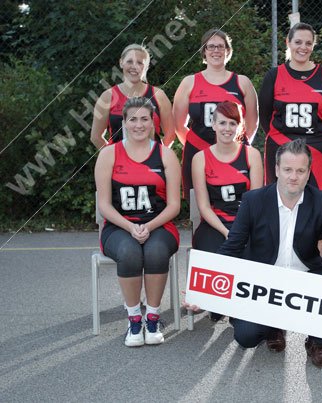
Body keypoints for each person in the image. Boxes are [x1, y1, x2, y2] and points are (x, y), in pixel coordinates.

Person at [216, 139, 322, 368]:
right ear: (276, 169)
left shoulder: (321, 201)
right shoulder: (254, 200)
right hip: (265, 282)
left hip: (307, 277)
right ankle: (273, 325)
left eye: (300, 171)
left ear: (308, 173)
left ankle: (317, 341)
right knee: (246, 336)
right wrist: (203, 287)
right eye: (287, 170)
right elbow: (232, 247)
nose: (293, 176)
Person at [94, 97, 181, 347]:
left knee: (156, 251)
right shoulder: (109, 154)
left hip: (160, 225)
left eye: (144, 119)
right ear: (123, 122)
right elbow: (104, 205)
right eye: (133, 119)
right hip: (119, 227)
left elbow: (174, 206)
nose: (139, 125)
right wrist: (130, 227)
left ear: (153, 123)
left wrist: (148, 226)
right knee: (129, 252)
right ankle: (134, 320)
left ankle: (152, 319)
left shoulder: (165, 155)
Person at [191, 101, 263, 321]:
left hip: (246, 222)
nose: (227, 128)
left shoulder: (251, 155)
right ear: (213, 124)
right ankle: (218, 302)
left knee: (254, 250)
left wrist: (239, 231)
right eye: (222, 123)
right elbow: (204, 206)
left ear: (240, 127)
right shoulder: (200, 158)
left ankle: (243, 307)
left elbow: (256, 202)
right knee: (212, 251)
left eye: (233, 123)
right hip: (215, 223)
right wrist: (225, 231)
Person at [173, 28, 258, 198]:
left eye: (220, 46)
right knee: (198, 206)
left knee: (237, 204)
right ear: (204, 51)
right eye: (211, 46)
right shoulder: (189, 83)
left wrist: (231, 147)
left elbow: (252, 123)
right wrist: (200, 147)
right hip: (198, 153)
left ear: (228, 50)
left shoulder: (242, 83)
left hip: (233, 155)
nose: (216, 50)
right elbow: (178, 125)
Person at [259, 22, 322, 190]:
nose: (303, 47)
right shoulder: (274, 75)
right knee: (278, 198)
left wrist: (320, 138)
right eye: (298, 42)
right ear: (288, 42)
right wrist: (281, 137)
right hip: (280, 147)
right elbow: (264, 115)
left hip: (317, 148)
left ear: (313, 46)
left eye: (308, 43)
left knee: (318, 198)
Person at [91, 44, 175, 149]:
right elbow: (95, 137)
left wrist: (158, 154)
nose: (134, 66)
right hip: (119, 159)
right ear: (121, 62)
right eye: (129, 61)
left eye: (140, 63)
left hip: (152, 159)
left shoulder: (158, 95)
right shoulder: (107, 97)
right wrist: (112, 155)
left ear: (146, 67)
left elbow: (170, 134)